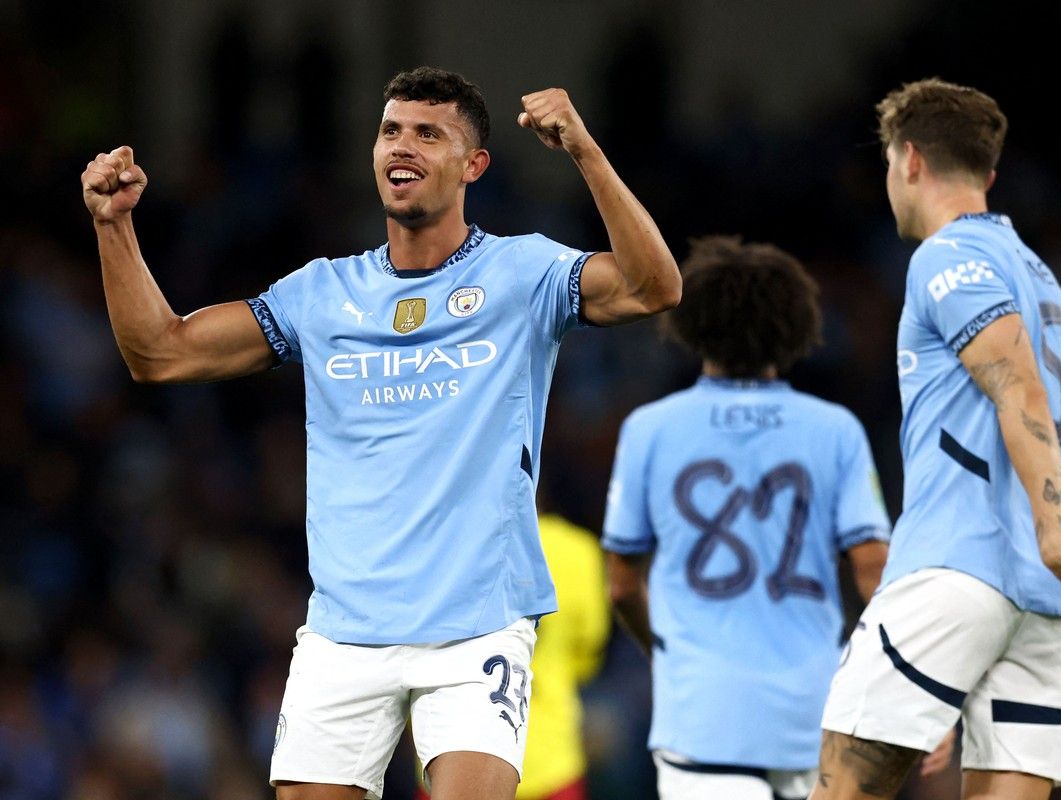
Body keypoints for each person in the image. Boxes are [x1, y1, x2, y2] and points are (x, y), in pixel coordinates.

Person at [80, 66, 680, 800]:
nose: (404, 145)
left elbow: (656, 286)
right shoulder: (321, 293)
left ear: (474, 165)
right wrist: (113, 227)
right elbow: (161, 353)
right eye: (392, 130)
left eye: (430, 134)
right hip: (344, 632)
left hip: (476, 627)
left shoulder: (523, 272)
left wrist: (585, 150)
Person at [810, 78, 1061, 800]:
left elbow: (1018, 386)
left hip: (961, 561)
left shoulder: (945, 257)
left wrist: (1056, 534)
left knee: (840, 788)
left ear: (908, 161)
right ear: (989, 174)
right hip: (1048, 598)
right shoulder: (1044, 279)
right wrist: (1056, 551)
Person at [602, 235, 912, 800]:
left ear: (691, 326)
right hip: (811, 717)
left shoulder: (650, 428)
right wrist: (909, 687)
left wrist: (666, 650)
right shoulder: (834, 429)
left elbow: (622, 585)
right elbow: (874, 570)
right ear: (794, 327)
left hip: (700, 719)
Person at [416, 509, 610, 800]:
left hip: (453, 762)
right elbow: (588, 652)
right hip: (550, 762)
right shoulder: (576, 550)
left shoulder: (441, 542)